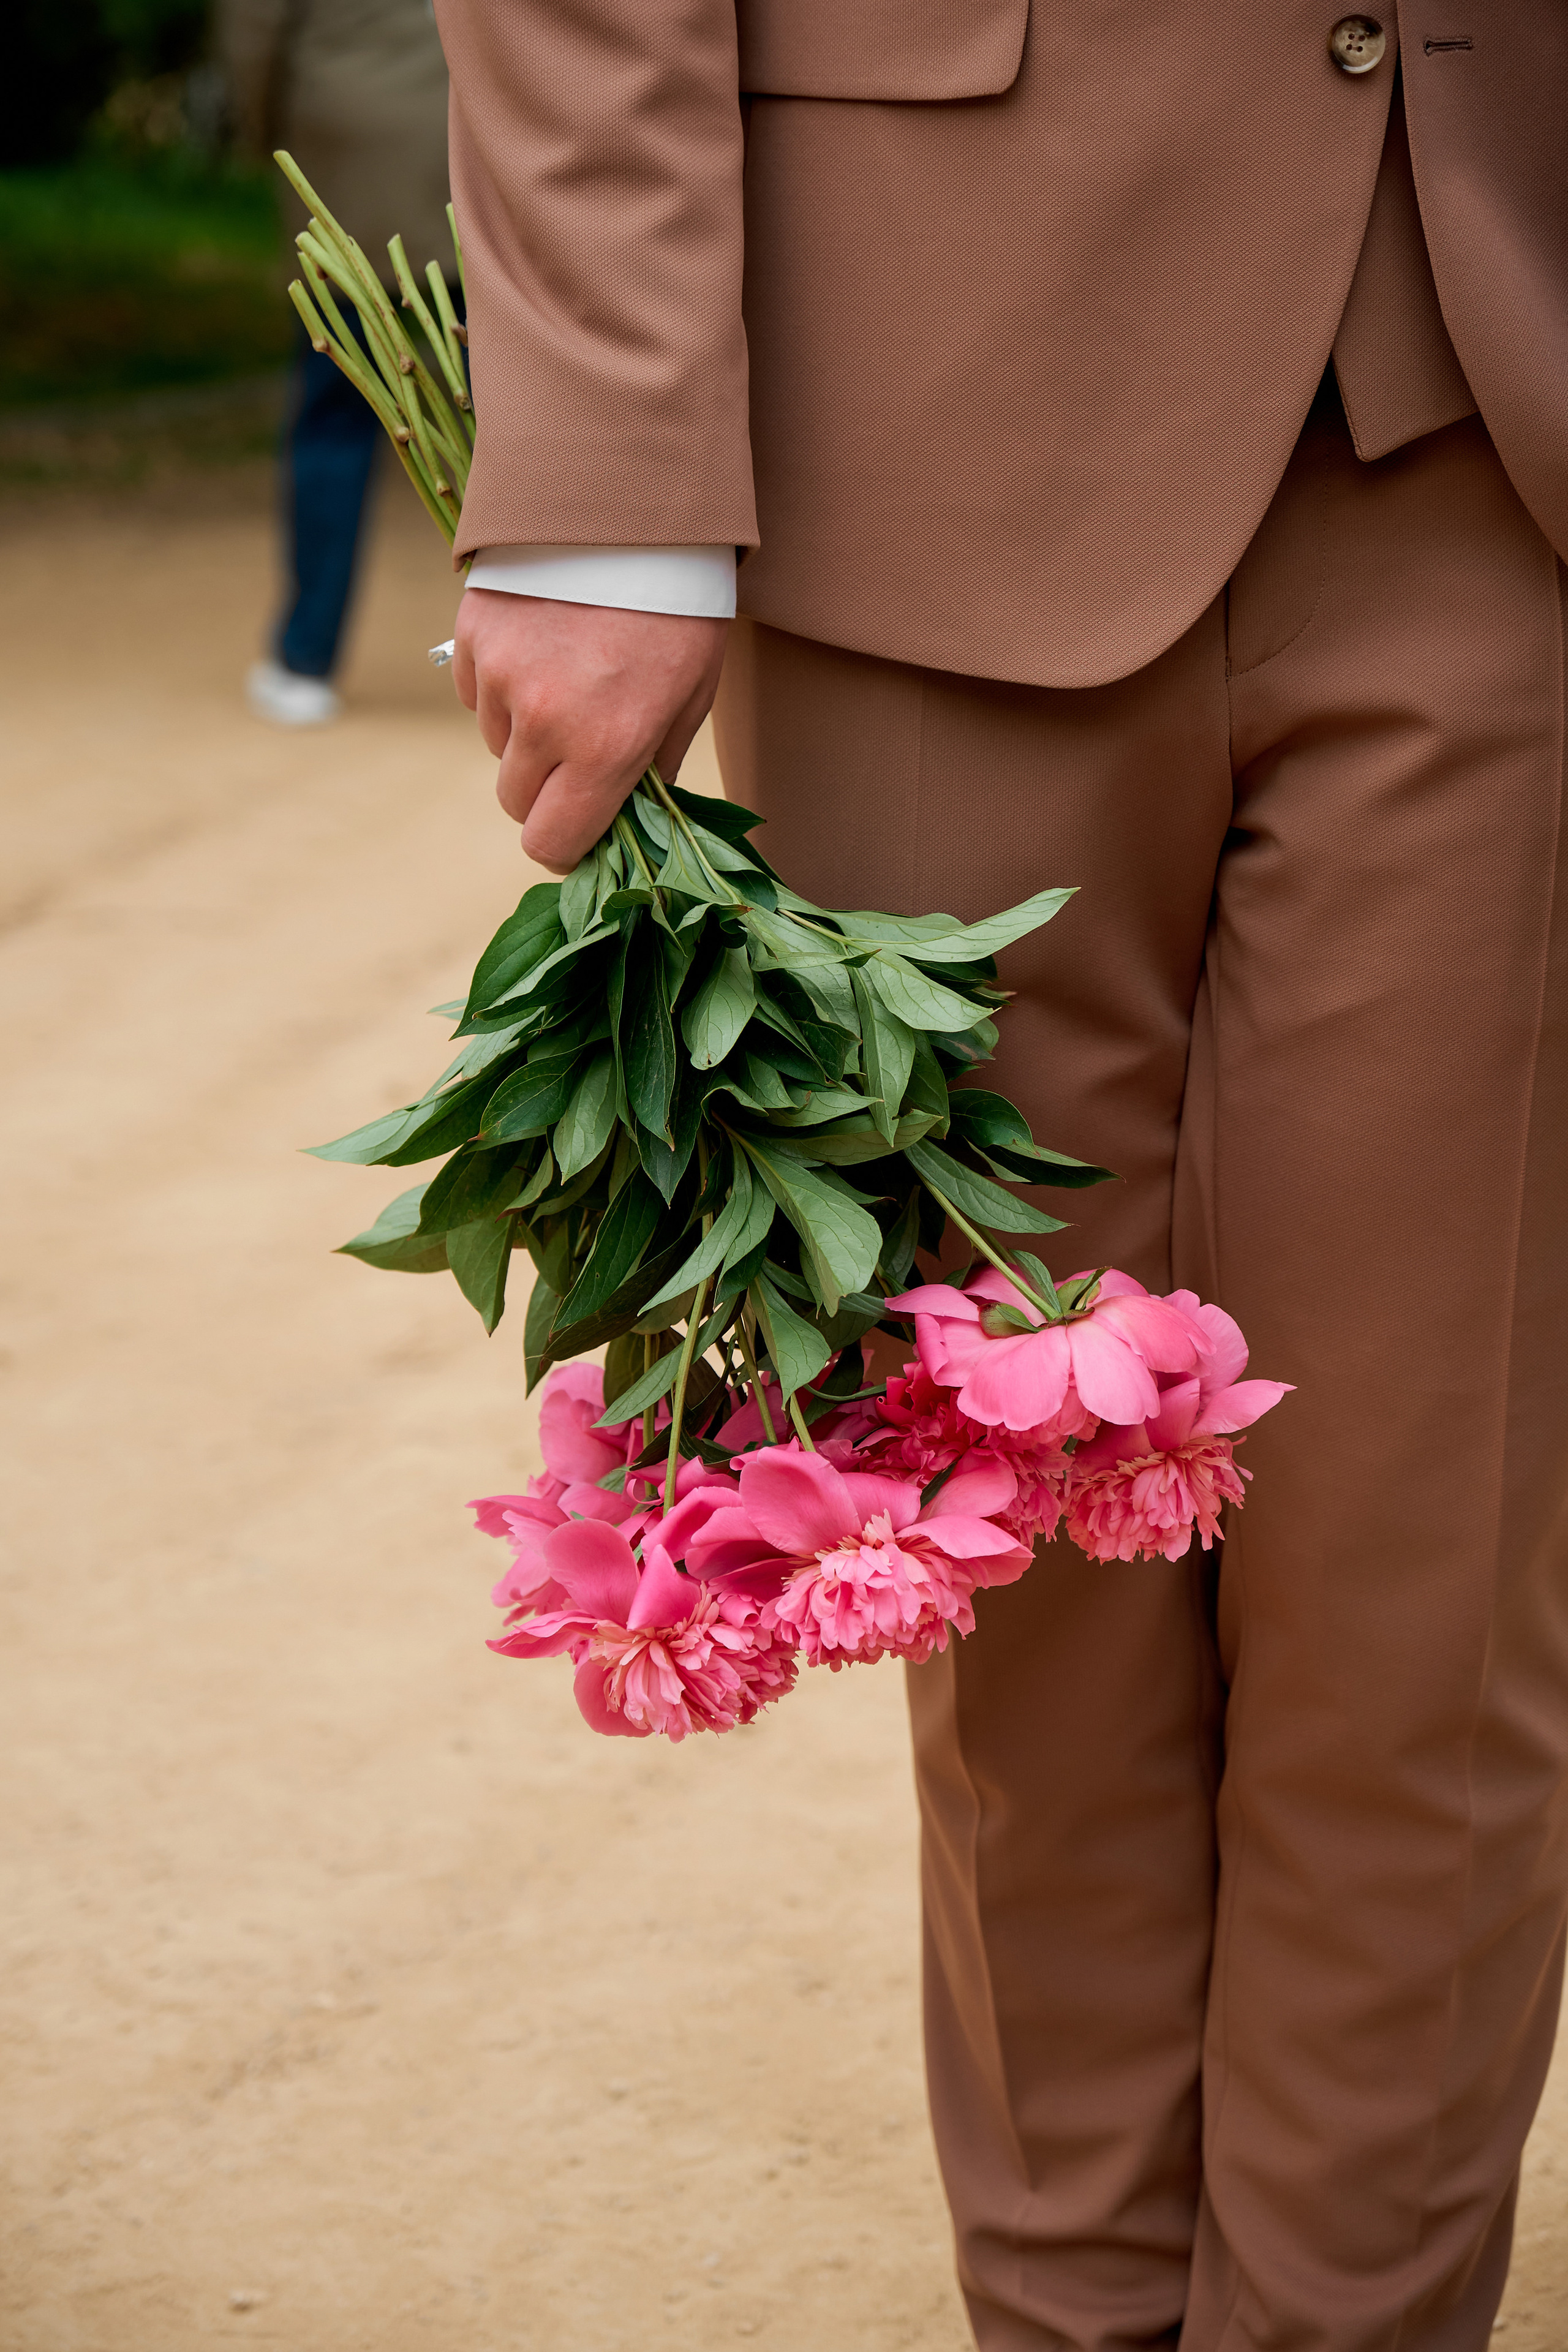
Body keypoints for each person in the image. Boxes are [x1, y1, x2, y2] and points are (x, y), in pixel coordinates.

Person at [430, 7, 1568, 2345]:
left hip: (1503, 397)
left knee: (1431, 1575)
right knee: (1009, 1536)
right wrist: (608, 469)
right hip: (915, 418)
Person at [220, 0, 451, 725]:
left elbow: (253, 31)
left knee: (332, 418)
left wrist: (261, 134)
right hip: (459, 146)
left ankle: (305, 659)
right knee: (510, 422)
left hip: (341, 150)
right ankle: (551, 643)